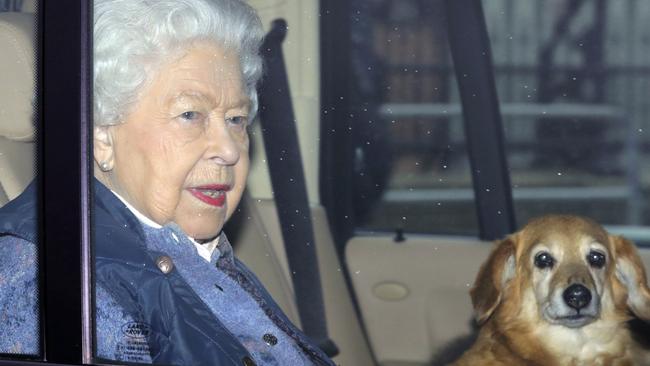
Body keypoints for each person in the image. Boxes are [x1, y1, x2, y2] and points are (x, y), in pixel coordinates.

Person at [0, 0, 334, 365]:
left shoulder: (192, 251)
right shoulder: (56, 281)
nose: (229, 149)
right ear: (100, 136)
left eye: (237, 119)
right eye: (190, 114)